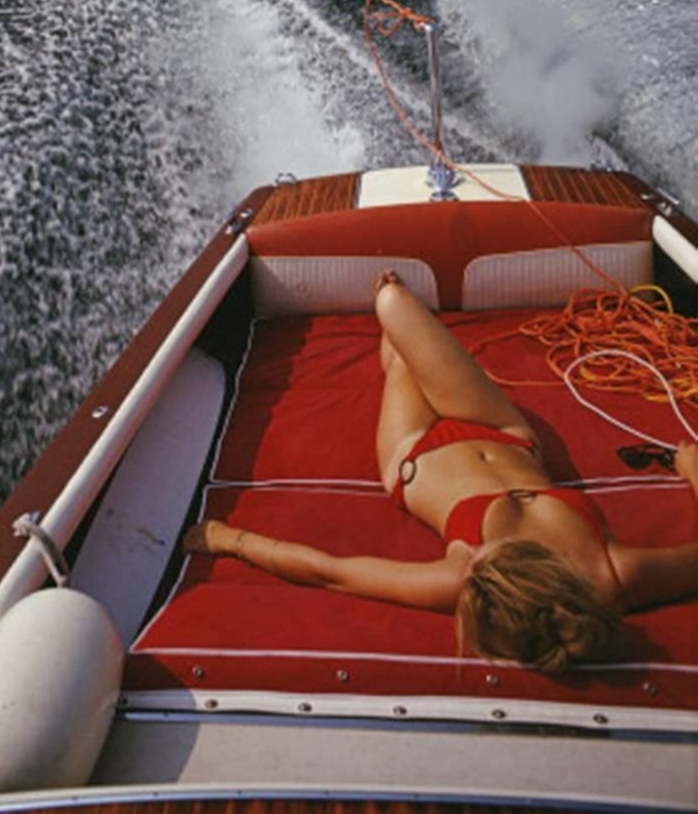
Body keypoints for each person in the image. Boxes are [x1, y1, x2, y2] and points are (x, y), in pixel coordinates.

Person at [185, 271, 698, 675]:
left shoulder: (462, 577)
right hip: (503, 431)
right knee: (395, 302)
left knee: (393, 314)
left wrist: (230, 540)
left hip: (415, 453)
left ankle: (395, 346)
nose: (475, 558)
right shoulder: (616, 575)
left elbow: (330, 571)